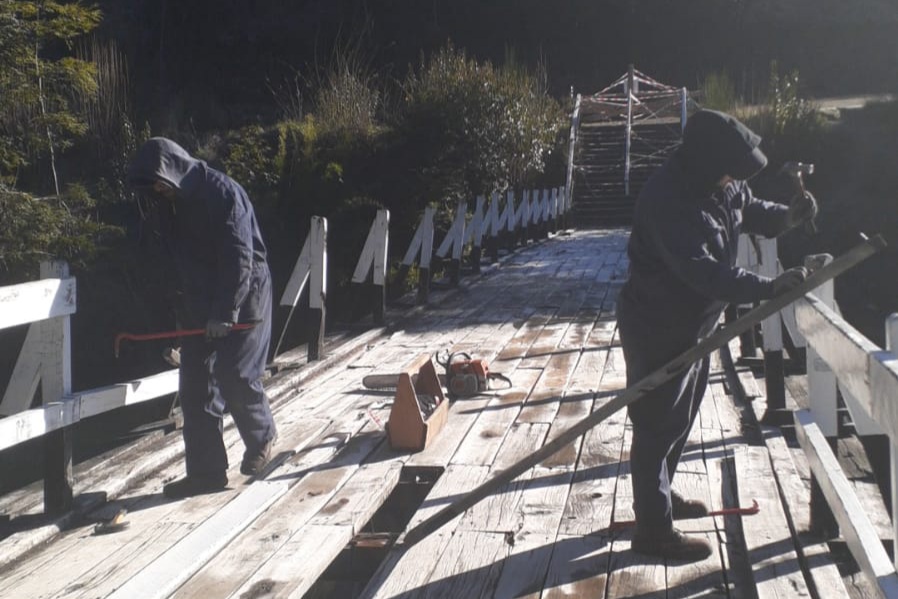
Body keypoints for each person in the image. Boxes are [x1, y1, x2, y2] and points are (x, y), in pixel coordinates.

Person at [617, 110, 817, 561]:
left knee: (681, 416)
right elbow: (703, 272)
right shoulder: (666, 198)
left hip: (696, 325)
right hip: (656, 326)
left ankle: (660, 501)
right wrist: (768, 288)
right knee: (655, 423)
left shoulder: (718, 182)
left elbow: (748, 208)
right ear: (708, 161)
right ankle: (652, 530)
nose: (734, 180)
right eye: (730, 170)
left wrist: (787, 217)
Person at [128, 137, 277, 499]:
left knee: (235, 374)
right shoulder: (168, 205)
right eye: (153, 188)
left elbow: (239, 257)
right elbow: (166, 265)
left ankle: (262, 439)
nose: (158, 191)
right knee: (194, 384)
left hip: (245, 292)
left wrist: (226, 312)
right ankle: (206, 471)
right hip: (198, 298)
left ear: (173, 168)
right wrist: (171, 322)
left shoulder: (223, 193)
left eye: (159, 183)